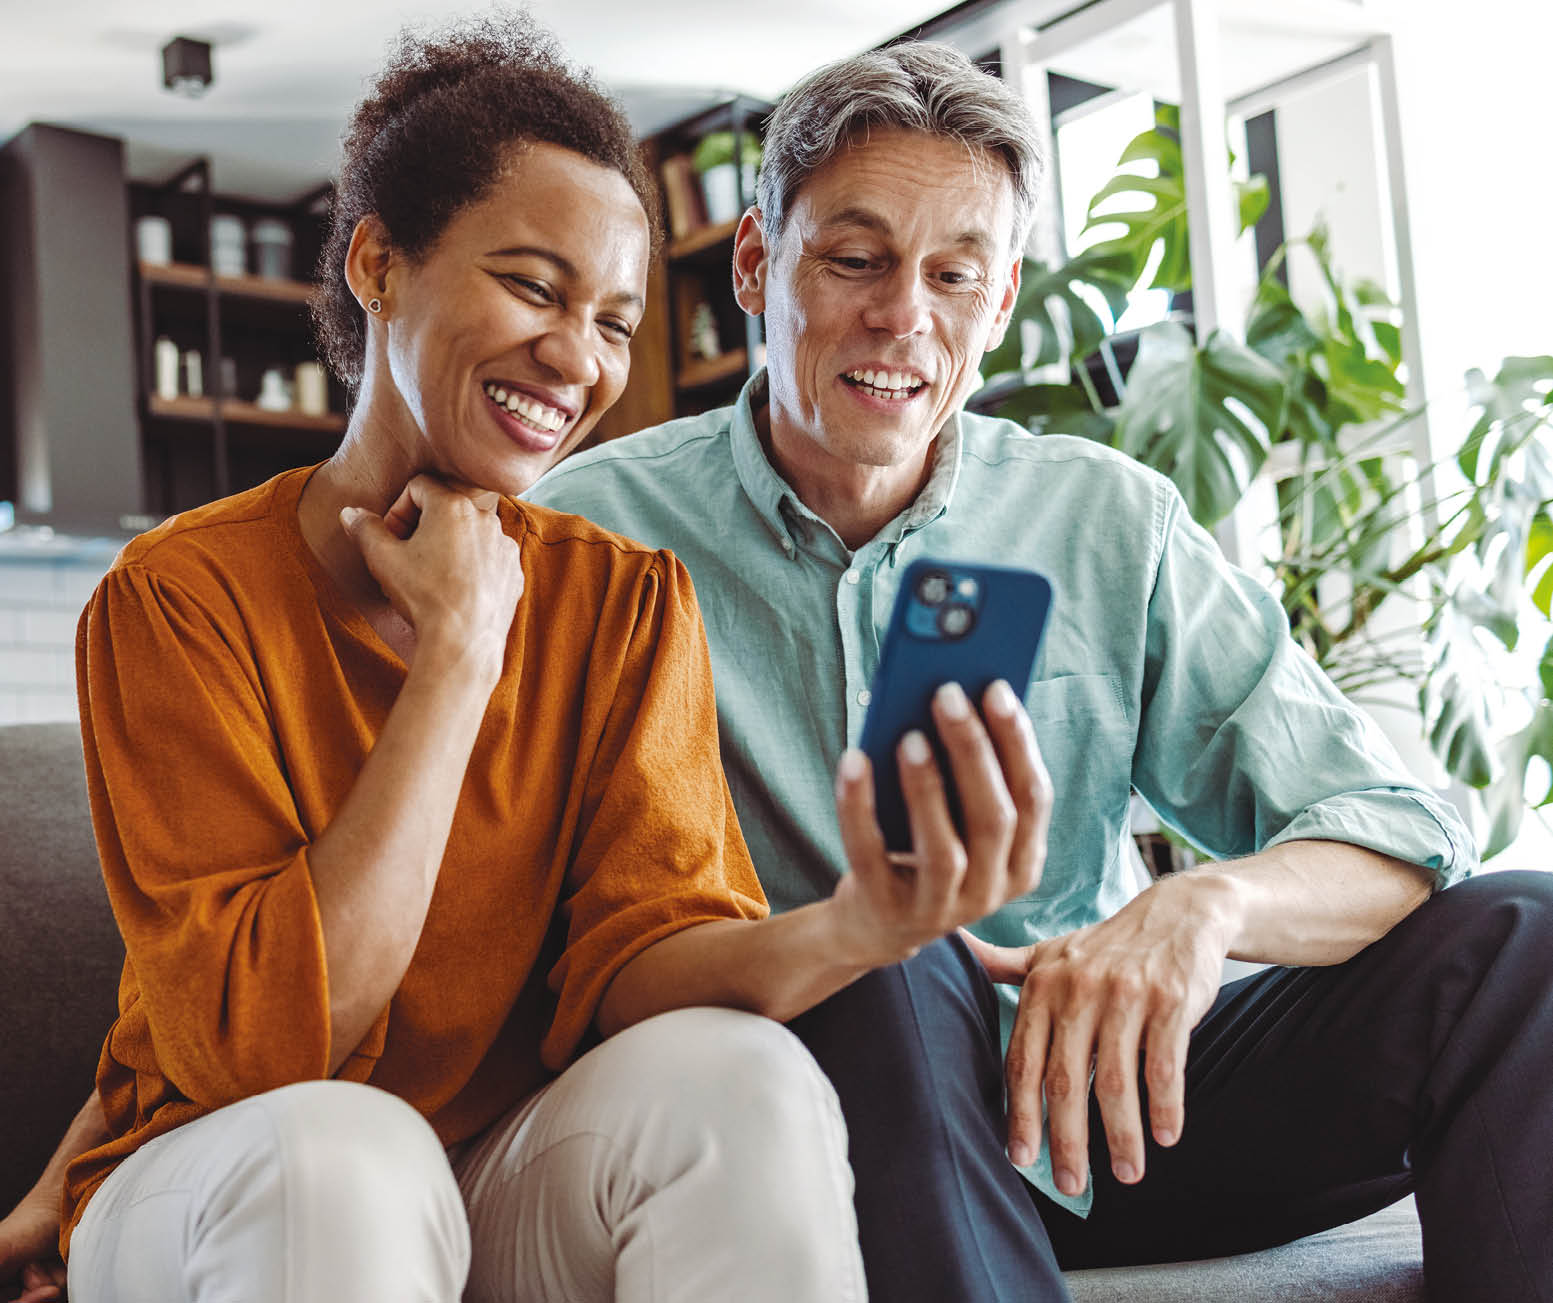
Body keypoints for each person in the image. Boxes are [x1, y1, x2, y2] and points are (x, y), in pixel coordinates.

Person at [0, 21, 1054, 1303]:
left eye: (612, 319)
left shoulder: (620, 599)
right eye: (533, 287)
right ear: (380, 264)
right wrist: (456, 654)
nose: (577, 357)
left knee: (746, 1080)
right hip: (221, 1171)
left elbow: (643, 962)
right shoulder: (178, 598)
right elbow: (267, 1049)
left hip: (495, 1174)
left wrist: (858, 927)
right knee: (349, 1149)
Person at [522, 40, 1553, 1302]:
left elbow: (1391, 830)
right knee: (891, 958)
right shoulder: (590, 531)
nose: (902, 315)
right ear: (754, 263)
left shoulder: (1104, 520)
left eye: (954, 275)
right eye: (854, 259)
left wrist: (1200, 909)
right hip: (827, 1131)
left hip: (1115, 1112)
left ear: (1000, 302)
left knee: (1522, 934)